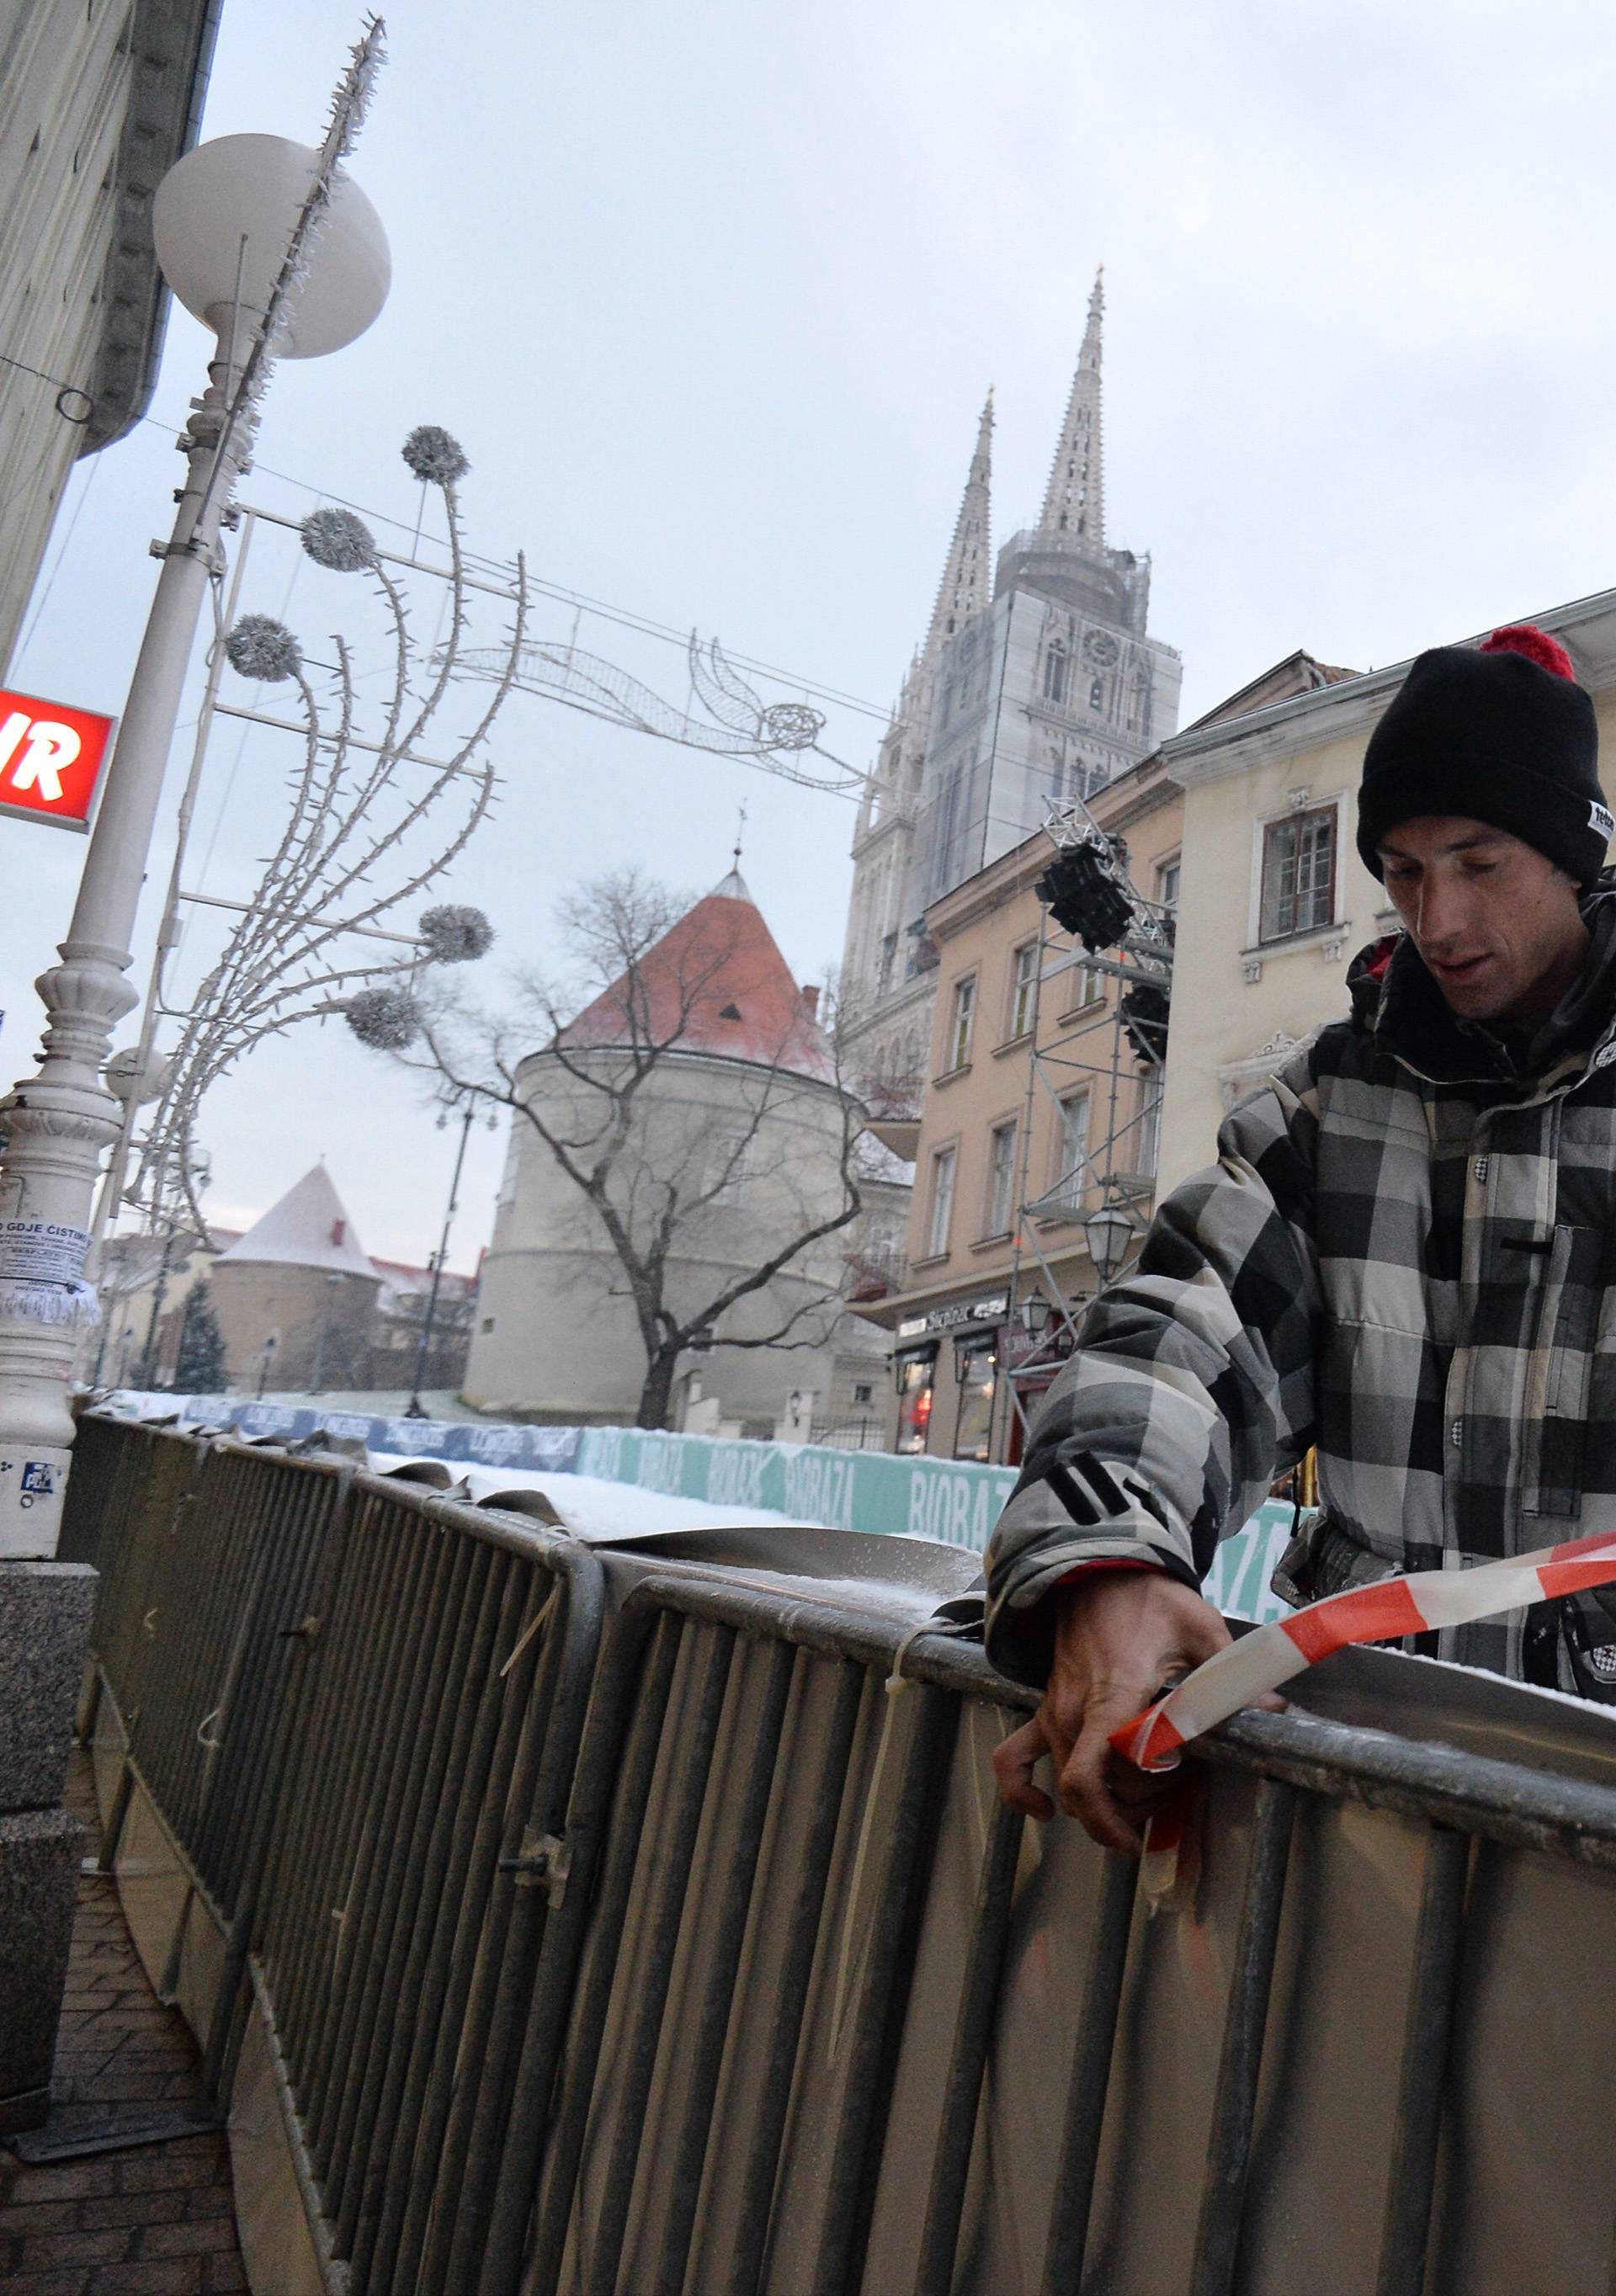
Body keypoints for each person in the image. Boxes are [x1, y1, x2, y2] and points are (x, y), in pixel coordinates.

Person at [986, 623, 1616, 1852]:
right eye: (1404, 868)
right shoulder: (1328, 1110)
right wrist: (1108, 1564)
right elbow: (1179, 1324)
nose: (1439, 917)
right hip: (1361, 1777)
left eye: (1480, 863)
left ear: (1575, 853)